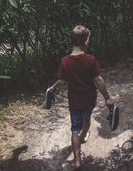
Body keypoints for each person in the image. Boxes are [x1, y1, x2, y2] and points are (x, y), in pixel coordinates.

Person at [48, 25, 114, 170]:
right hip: (89, 99)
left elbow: (62, 81)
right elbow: (98, 80)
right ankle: (85, 135)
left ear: (72, 41)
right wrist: (107, 98)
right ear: (85, 42)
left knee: (74, 129)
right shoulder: (90, 59)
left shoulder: (65, 61)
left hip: (75, 101)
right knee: (87, 119)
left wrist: (52, 88)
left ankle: (77, 160)